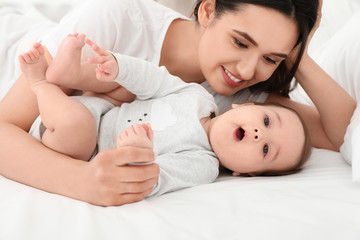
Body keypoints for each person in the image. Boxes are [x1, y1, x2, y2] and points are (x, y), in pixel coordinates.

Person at [0, 0, 355, 206]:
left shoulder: (245, 107)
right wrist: (86, 182)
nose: (248, 70)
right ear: (208, 10)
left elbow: (345, 134)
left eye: (272, 58)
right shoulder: (116, 16)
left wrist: (298, 48)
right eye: (241, 42)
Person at [19, 35, 310, 196]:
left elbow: (157, 179)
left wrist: (139, 153)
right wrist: (120, 67)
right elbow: (157, 81)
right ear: (244, 107)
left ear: (245, 173)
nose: (260, 134)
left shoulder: (202, 164)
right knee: (127, 90)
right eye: (267, 121)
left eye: (266, 149)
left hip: (75, 146)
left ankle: (40, 83)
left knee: (77, 125)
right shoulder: (198, 97)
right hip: (100, 109)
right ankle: (70, 74)